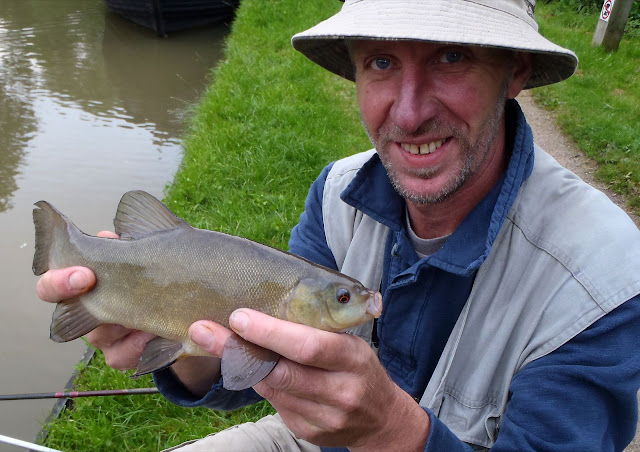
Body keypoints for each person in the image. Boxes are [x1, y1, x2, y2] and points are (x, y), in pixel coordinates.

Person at [36, 0, 640, 450]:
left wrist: (390, 428)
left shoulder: (603, 279)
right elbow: (260, 374)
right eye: (381, 62)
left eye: (452, 58)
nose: (408, 112)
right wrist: (181, 342)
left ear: (515, 73)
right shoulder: (337, 191)